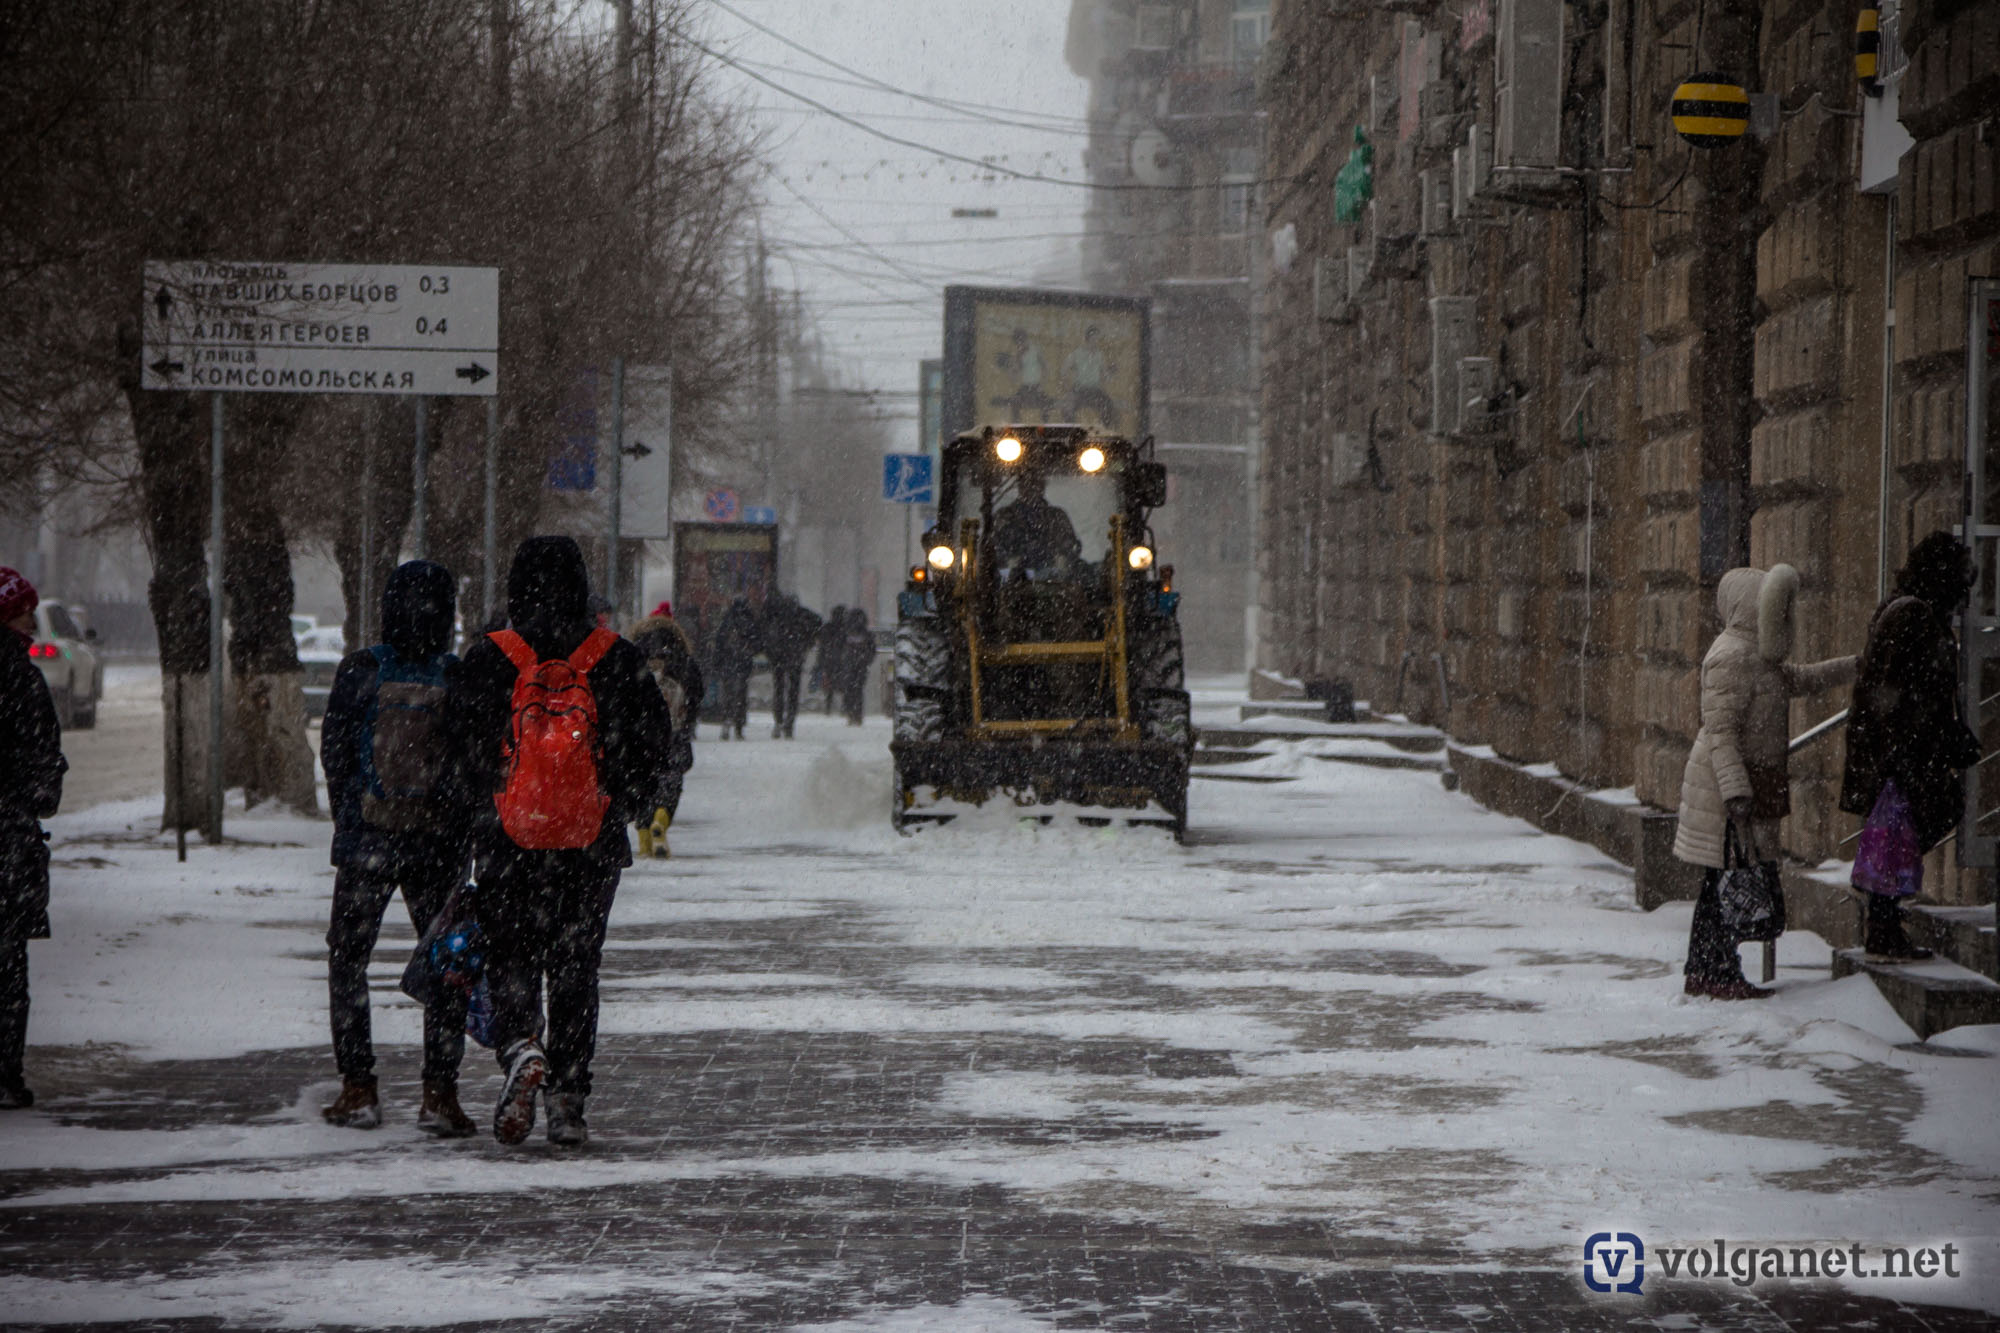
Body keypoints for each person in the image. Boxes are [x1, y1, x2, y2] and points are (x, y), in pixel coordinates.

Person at [444, 536, 671, 1146]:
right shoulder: (614, 657)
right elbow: (657, 744)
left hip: (507, 840)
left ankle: (521, 1046)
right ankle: (568, 1098)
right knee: (577, 967)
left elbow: (454, 748)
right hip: (590, 842)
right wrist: (624, 803)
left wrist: (482, 809)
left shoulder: (491, 658)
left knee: (512, 954)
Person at [318, 560, 473, 1135]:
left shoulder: (362, 670)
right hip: (436, 846)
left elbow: (334, 754)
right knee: (445, 967)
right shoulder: (454, 676)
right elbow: (468, 765)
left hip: (369, 843)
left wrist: (353, 824)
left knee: (349, 962)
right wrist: (452, 833)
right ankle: (439, 1095)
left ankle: (358, 1089)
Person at [1673, 564, 1857, 999]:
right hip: (1724, 791)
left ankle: (1706, 971)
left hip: (1745, 784)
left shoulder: (1760, 657)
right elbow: (1721, 734)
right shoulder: (1731, 657)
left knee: (1720, 885)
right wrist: (1736, 793)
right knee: (1724, 885)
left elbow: (1801, 679)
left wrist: (1851, 667)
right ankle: (1717, 972)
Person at [1840, 532, 1982, 961]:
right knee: (1910, 827)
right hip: (1901, 754)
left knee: (1902, 833)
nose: (1962, 597)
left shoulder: (1908, 610)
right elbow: (1896, 691)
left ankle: (1883, 920)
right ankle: (1882, 923)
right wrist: (1906, 752)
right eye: (1959, 583)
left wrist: (1947, 736)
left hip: (1903, 751)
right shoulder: (1913, 617)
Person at [0, 568, 65, 1110]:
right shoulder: (21, 678)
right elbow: (46, 779)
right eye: (22, 608)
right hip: (8, 842)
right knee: (6, 965)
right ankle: (3, 1074)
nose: (30, 617)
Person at [628, 600, 704, 858]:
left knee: (642, 782)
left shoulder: (634, 651)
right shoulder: (681, 654)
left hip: (641, 733)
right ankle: (662, 819)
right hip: (675, 730)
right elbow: (696, 690)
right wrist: (688, 719)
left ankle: (644, 836)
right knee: (671, 781)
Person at [990, 471, 1082, 577]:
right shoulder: (1004, 516)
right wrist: (1009, 561)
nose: (1031, 488)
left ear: (1042, 487)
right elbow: (992, 548)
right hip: (1013, 581)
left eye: (1036, 483)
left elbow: (1072, 545)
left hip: (1052, 582)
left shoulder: (1056, 516)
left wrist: (1062, 557)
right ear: (1020, 487)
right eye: (1027, 484)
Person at [761, 592, 822, 739]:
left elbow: (767, 634)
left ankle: (778, 721)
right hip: (796, 657)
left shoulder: (776, 616)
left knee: (779, 689)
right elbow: (818, 624)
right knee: (793, 691)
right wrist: (809, 643)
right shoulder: (802, 615)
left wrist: (770, 651)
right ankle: (789, 724)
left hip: (778, 658)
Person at [711, 594, 762, 741]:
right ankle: (739, 726)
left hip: (728, 661)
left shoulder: (727, 619)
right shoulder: (749, 620)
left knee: (728, 693)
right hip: (743, 662)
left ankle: (726, 721)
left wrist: (717, 660)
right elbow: (757, 642)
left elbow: (719, 641)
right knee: (741, 694)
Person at [837, 607, 874, 726]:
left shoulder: (847, 633)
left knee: (851, 689)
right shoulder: (866, 634)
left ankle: (852, 713)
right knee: (857, 690)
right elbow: (872, 650)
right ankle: (856, 714)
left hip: (851, 665)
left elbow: (839, 648)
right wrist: (866, 660)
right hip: (859, 665)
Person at [815, 605, 848, 714]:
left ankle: (828, 708)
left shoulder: (827, 627)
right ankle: (844, 707)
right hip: (841, 660)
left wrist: (820, 661)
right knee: (843, 685)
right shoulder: (846, 628)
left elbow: (822, 646)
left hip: (828, 660)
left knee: (829, 685)